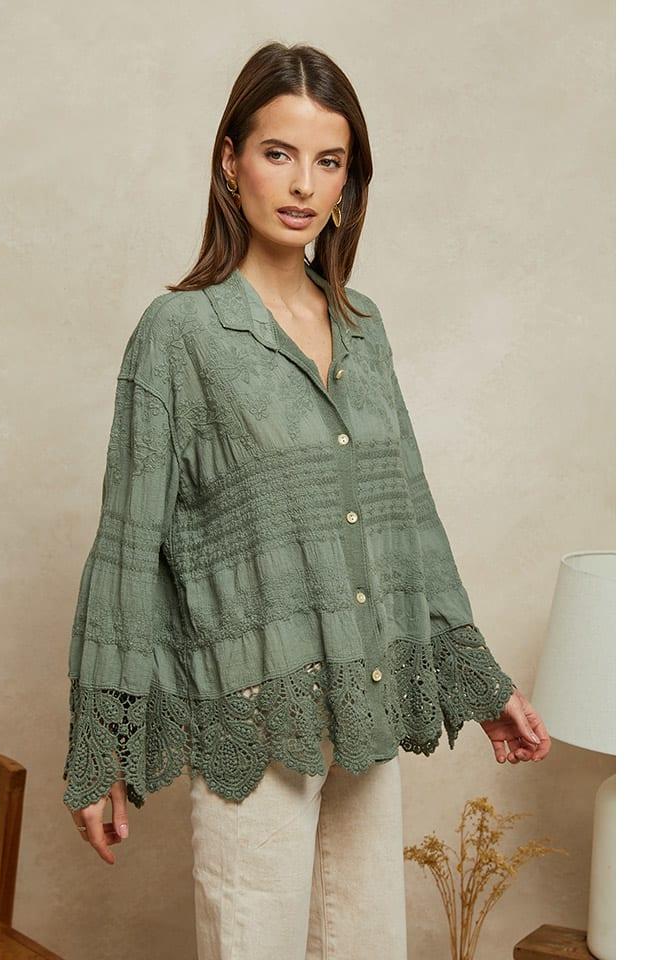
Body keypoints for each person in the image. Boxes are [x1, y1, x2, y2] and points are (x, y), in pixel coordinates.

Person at [62, 41, 551, 960]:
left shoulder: (364, 327)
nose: (302, 185)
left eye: (328, 161)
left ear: (348, 182)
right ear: (230, 160)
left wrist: (481, 683)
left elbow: (410, 518)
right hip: (254, 724)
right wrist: (105, 749)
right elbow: (128, 549)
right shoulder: (180, 334)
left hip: (367, 711)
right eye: (278, 153)